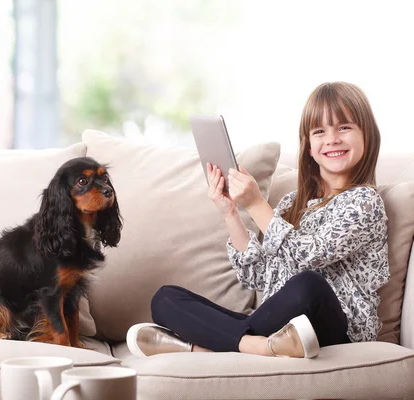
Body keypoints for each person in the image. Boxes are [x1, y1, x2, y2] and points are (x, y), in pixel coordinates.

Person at [126, 82, 390, 358]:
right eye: (320, 131)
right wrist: (231, 213)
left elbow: (308, 256)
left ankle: (206, 346)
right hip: (281, 330)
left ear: (367, 136)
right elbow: (260, 277)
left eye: (344, 128)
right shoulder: (292, 203)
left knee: (308, 284)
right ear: (309, 147)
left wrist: (255, 204)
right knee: (166, 298)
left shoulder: (364, 202)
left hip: (335, 329)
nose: (332, 139)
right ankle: (259, 346)